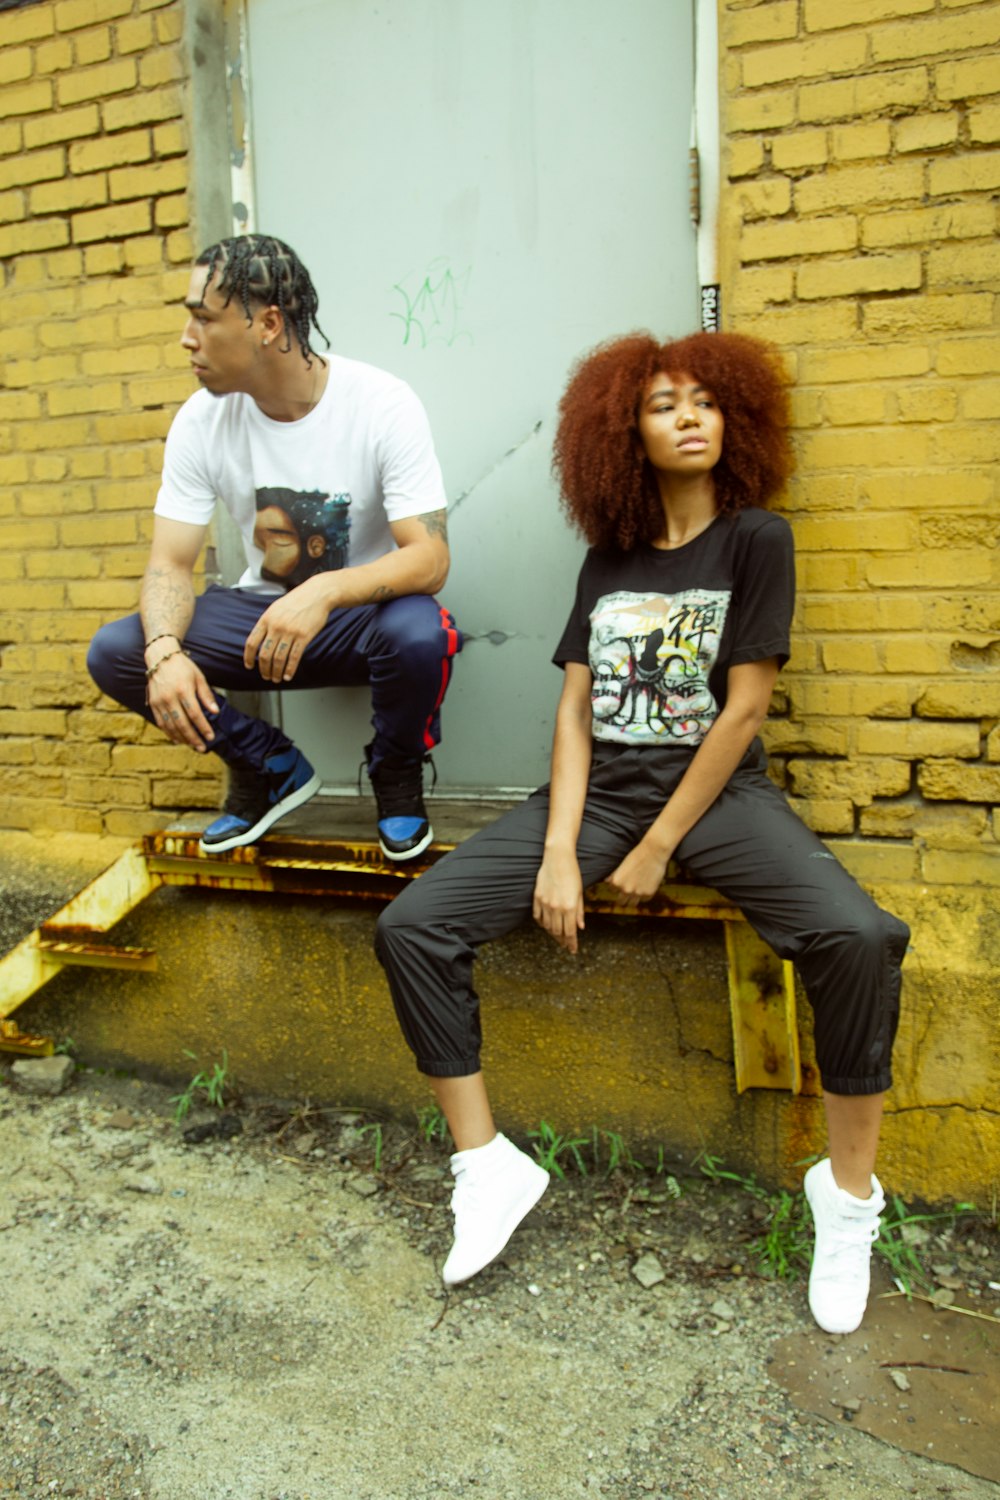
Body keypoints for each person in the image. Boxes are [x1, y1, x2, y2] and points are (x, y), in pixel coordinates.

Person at [375, 330, 910, 1336]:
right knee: (414, 923)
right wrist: (556, 854)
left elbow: (743, 710)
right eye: (663, 403)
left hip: (716, 800)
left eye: (705, 400)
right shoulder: (608, 560)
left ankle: (845, 1202)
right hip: (601, 800)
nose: (689, 416)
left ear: (735, 419)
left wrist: (659, 844)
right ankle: (486, 1166)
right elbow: (575, 712)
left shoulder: (756, 540)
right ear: (623, 431)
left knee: (858, 937)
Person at [88, 234, 461, 861]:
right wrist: (163, 653)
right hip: (257, 625)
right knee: (120, 650)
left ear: (266, 323)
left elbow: (430, 558)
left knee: (423, 631)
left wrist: (322, 589)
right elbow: (170, 565)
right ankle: (265, 764)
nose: (187, 336)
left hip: (356, 623)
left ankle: (395, 776)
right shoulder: (200, 421)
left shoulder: (381, 404)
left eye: (204, 318)